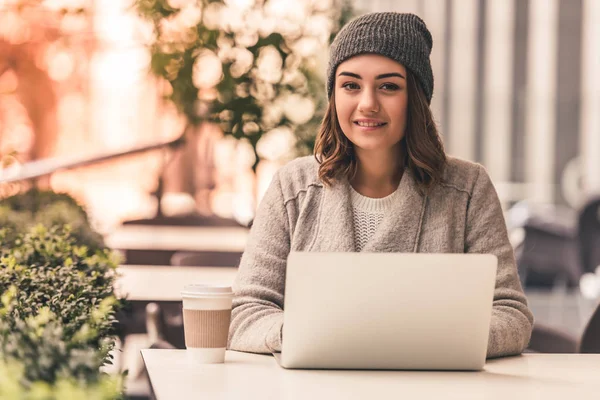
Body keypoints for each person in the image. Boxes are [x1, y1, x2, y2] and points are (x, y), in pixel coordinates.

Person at [228, 12, 533, 359]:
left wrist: (435, 340)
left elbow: (511, 314)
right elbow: (245, 313)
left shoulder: (468, 189)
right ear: (334, 95)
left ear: (415, 97)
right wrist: (306, 334)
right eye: (350, 85)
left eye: (388, 86)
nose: (367, 103)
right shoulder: (292, 187)